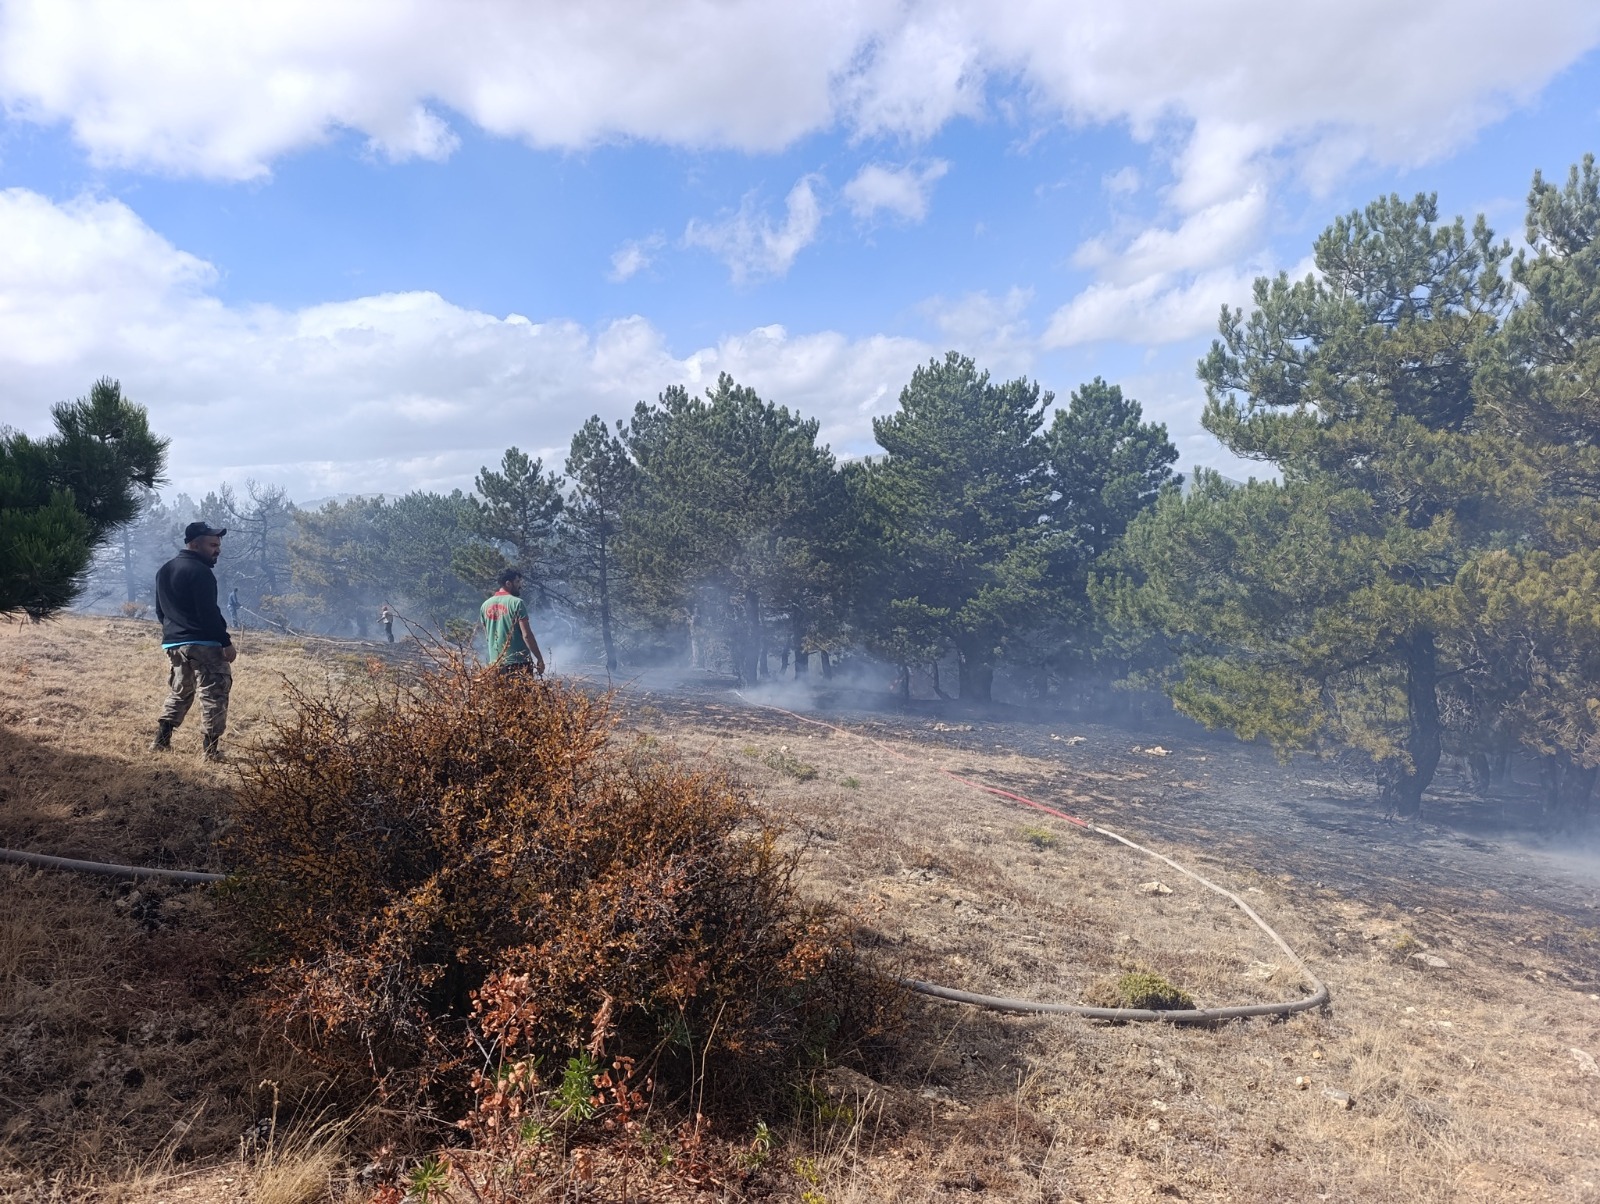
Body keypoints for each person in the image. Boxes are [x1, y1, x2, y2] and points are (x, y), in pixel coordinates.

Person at [150, 522, 236, 761]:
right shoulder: (201, 572)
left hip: (174, 643)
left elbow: (160, 611)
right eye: (212, 545)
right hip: (204, 644)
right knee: (214, 693)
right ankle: (211, 753)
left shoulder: (164, 570)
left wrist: (174, 632)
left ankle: (161, 741)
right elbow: (208, 612)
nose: (217, 550)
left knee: (180, 691)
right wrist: (225, 641)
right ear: (194, 544)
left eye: (218, 545)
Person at [480, 568, 545, 675]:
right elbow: (527, 635)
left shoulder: (484, 606)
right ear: (508, 583)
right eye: (517, 582)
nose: (520, 586)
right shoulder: (517, 603)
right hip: (518, 664)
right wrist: (539, 658)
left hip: (495, 665)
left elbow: (488, 637)